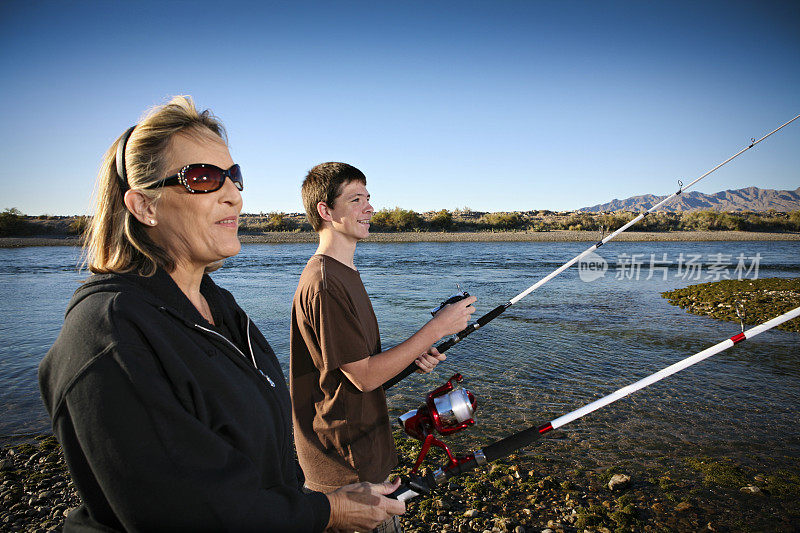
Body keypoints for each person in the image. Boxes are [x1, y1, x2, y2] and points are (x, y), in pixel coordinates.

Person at [38, 97, 404, 532]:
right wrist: (329, 511)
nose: (234, 195)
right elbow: (192, 514)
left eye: (234, 177)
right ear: (145, 206)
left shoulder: (221, 308)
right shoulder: (110, 335)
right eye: (203, 178)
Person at [290, 162, 477, 531]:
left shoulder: (344, 272)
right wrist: (436, 327)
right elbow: (364, 376)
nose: (369, 208)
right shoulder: (326, 282)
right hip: (345, 464)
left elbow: (358, 363)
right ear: (326, 211)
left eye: (368, 198)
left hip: (361, 452)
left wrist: (412, 357)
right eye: (355, 199)